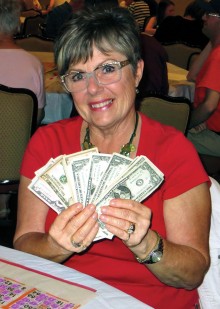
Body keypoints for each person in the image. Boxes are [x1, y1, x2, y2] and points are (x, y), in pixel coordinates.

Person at [13, 7, 211, 309]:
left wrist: (145, 243)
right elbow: (24, 244)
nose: (93, 89)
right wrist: (55, 246)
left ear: (138, 72)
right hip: (66, 297)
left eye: (108, 68)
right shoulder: (47, 143)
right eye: (78, 75)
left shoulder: (173, 151)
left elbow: (192, 274)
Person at [186, 0, 220, 166]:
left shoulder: (219, 56)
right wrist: (214, 40)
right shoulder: (216, 51)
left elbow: (209, 106)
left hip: (215, 137)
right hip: (211, 130)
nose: (204, 17)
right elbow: (192, 75)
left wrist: (186, 123)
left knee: (165, 136)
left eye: (210, 14)